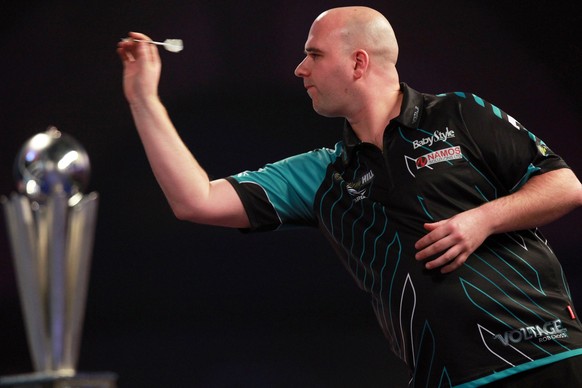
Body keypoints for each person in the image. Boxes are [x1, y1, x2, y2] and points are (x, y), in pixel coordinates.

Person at [117, 6, 582, 387]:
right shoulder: (324, 173)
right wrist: (144, 100)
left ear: (358, 63)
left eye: (313, 55)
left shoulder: (460, 113)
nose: (300, 68)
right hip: (450, 380)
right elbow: (195, 200)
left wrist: (482, 219)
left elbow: (565, 185)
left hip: (551, 354)